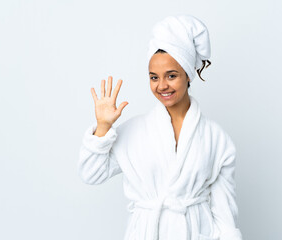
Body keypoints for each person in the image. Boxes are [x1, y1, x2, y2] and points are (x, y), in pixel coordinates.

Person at [78, 14, 243, 240]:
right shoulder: (134, 131)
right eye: (154, 77)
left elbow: (225, 216)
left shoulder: (216, 139)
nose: (162, 86)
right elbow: (91, 174)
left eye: (171, 76)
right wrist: (103, 128)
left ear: (188, 75)